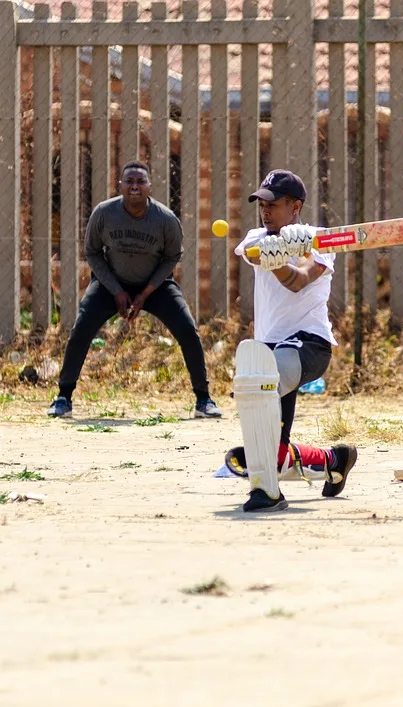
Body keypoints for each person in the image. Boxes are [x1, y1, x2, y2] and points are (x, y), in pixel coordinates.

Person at [47, 160, 221, 419]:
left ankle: (203, 399)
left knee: (187, 328)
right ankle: (63, 396)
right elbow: (92, 253)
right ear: (120, 186)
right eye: (129, 181)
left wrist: (145, 293)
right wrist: (116, 289)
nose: (135, 186)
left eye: (141, 181)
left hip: (156, 285)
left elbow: (172, 257)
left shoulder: (165, 219)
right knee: (81, 327)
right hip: (110, 284)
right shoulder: (104, 213)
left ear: (150, 187)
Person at [230, 169, 357, 511]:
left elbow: (300, 280)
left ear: (296, 206)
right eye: (262, 204)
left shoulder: (320, 240)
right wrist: (276, 253)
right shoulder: (258, 237)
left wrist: (293, 254)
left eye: (274, 204)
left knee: (260, 385)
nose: (265, 211)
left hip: (309, 345)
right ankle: (334, 459)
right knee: (273, 448)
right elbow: (255, 254)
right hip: (269, 349)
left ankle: (266, 493)